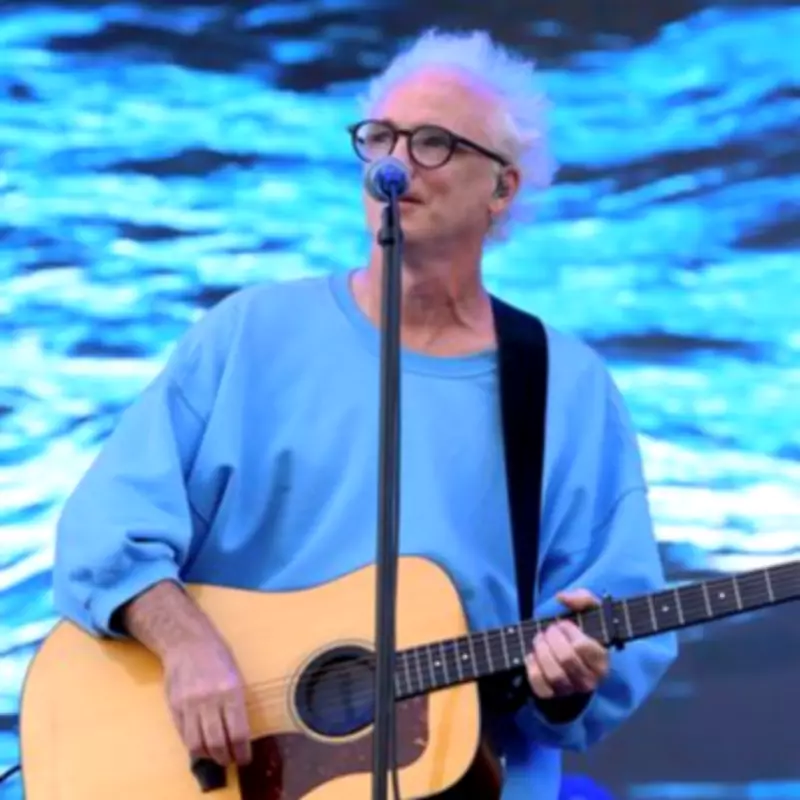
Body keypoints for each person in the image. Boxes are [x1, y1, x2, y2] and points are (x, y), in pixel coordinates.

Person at [52, 28, 678, 799]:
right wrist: (187, 648)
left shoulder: (564, 386)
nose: (394, 164)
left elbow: (610, 626)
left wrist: (567, 682)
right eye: (380, 137)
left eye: (433, 144)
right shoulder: (249, 333)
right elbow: (105, 531)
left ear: (502, 188)